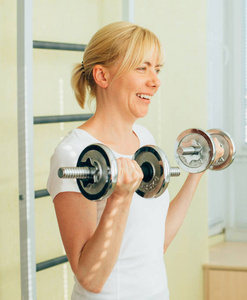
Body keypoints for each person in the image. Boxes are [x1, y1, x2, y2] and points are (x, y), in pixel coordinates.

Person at [47, 21, 223, 299]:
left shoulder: (143, 137)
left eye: (157, 69)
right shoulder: (74, 153)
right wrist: (119, 198)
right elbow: (90, 277)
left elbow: (157, 242)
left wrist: (197, 171)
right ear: (102, 76)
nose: (155, 81)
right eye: (142, 68)